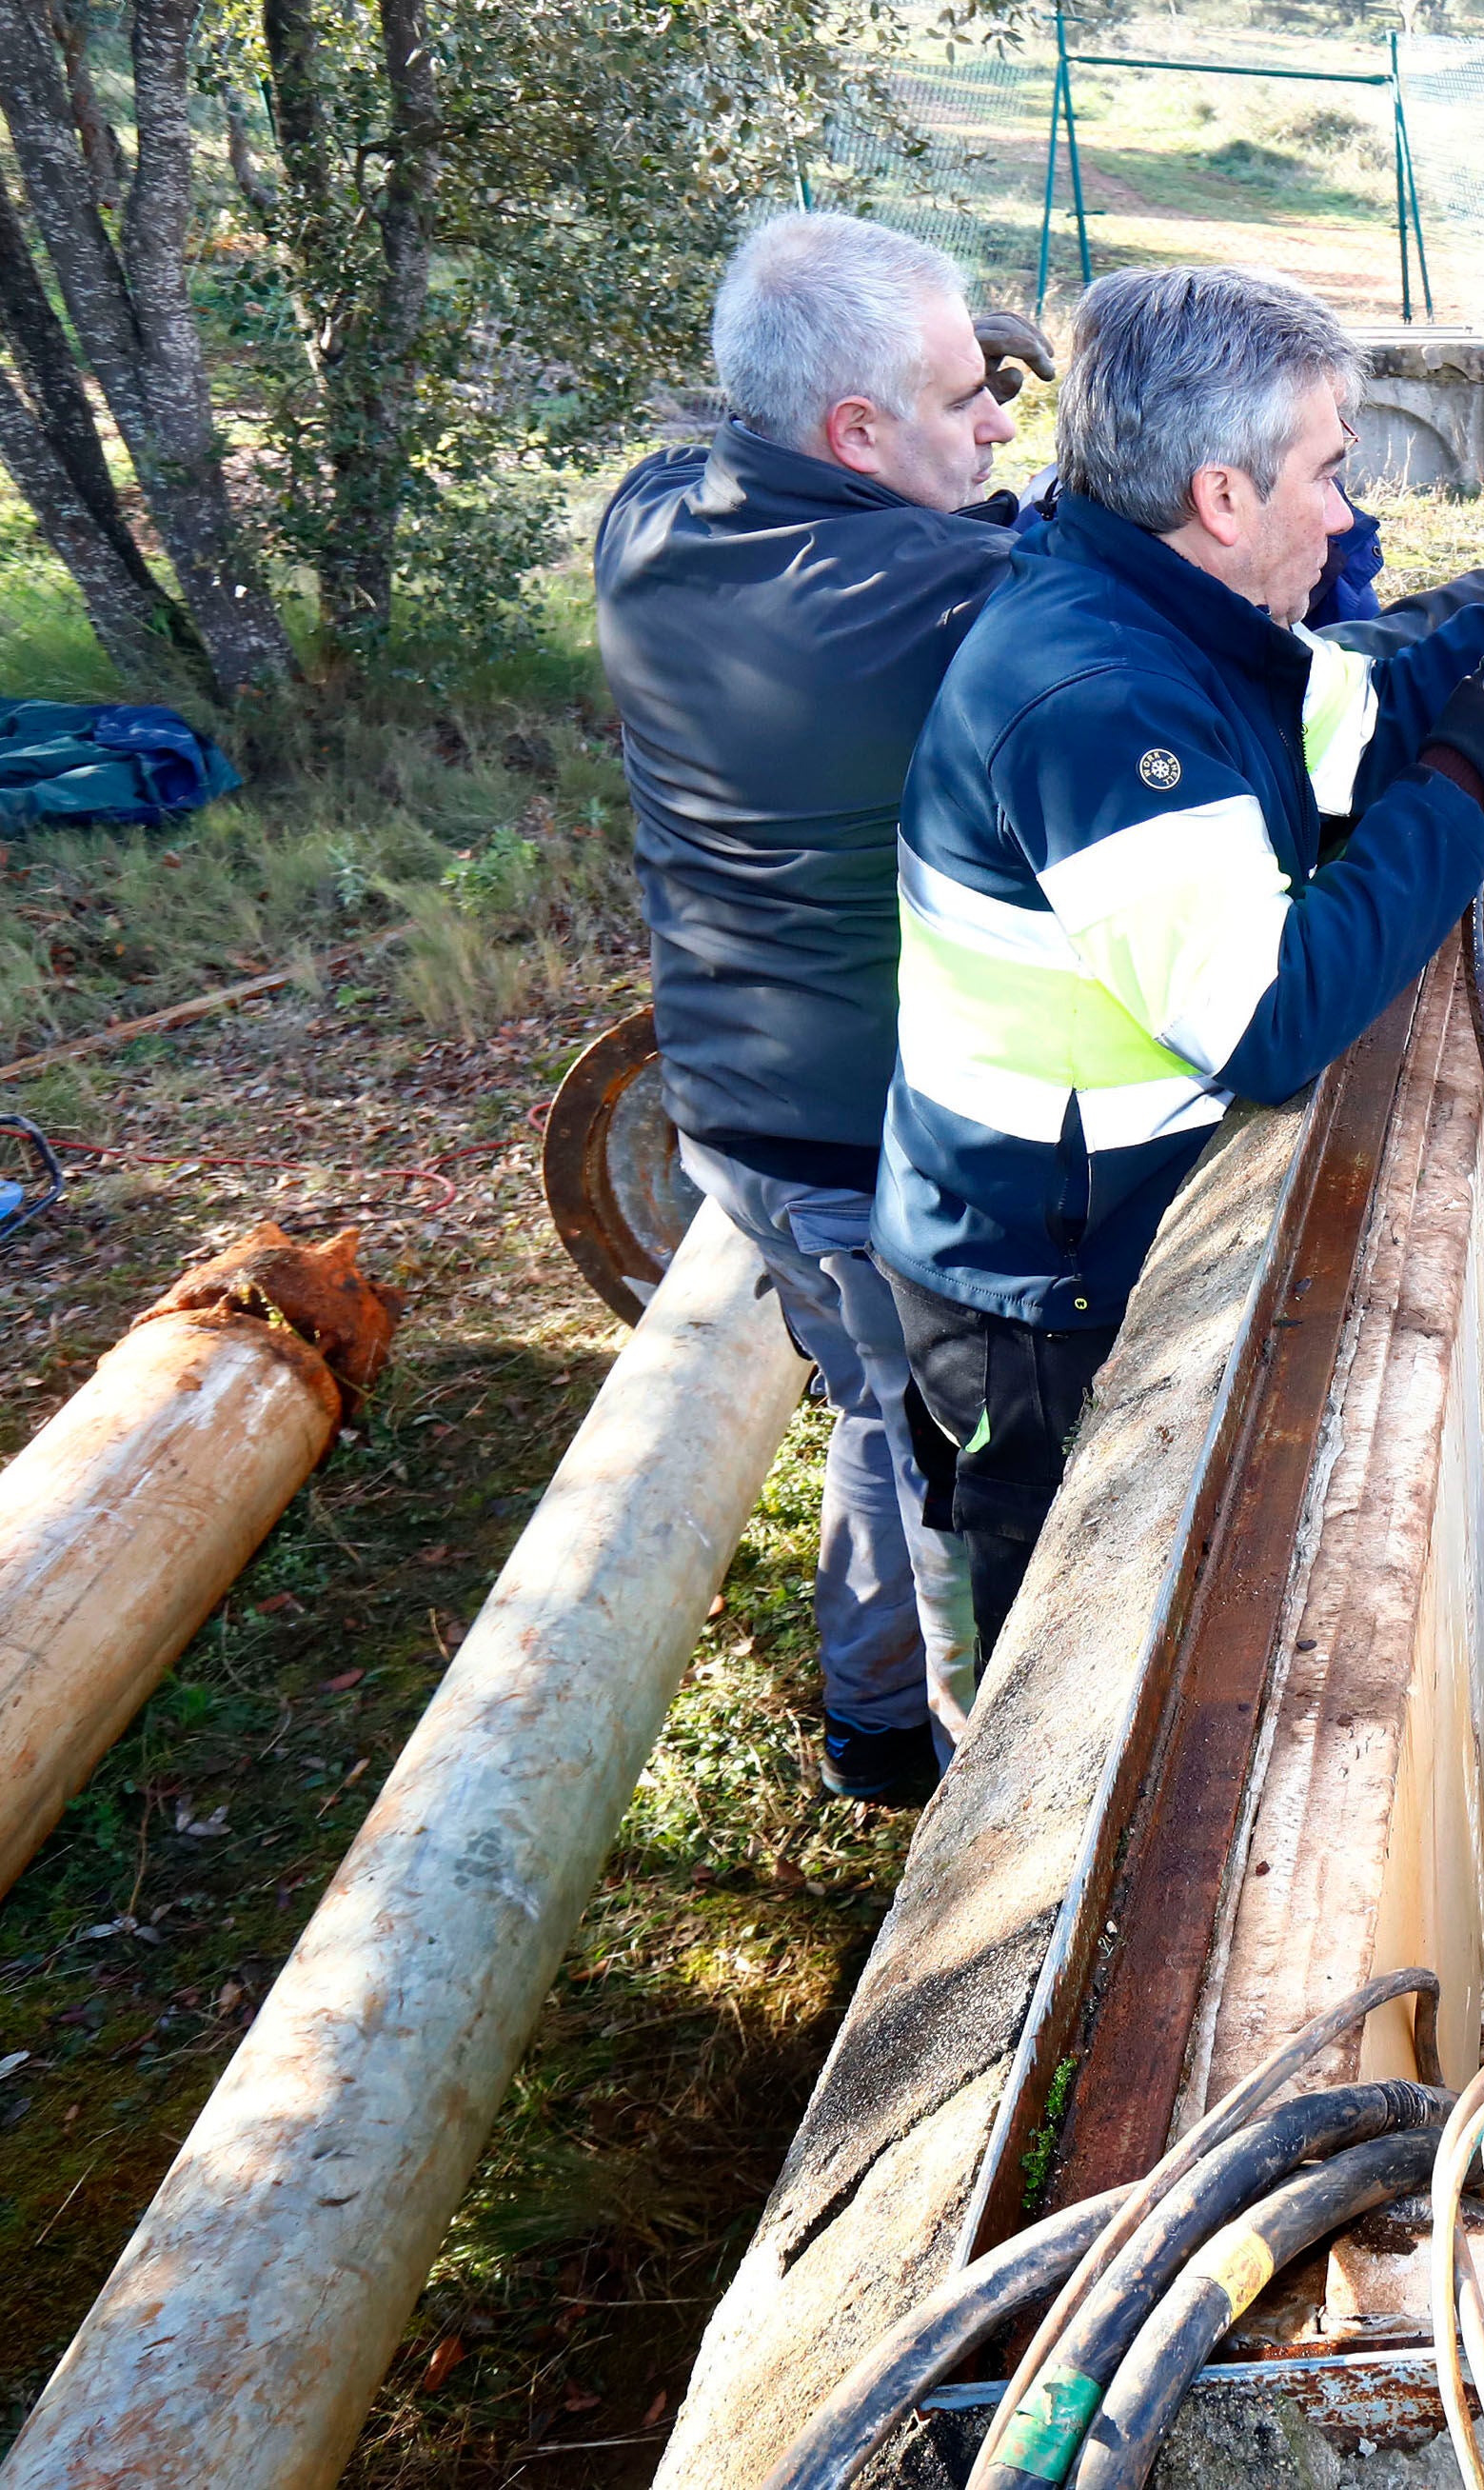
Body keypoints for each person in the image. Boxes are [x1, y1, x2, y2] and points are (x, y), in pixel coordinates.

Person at [874, 263, 1484, 1649]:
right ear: (1222, 495)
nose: (1347, 512)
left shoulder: (1173, 616)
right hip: (1037, 1289)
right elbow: (1271, 1015)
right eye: (1327, 471)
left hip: (1102, 1223)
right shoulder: (1100, 702)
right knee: (1063, 1647)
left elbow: (1366, 716)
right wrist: (1464, 788)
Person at [593, 212, 1051, 1806]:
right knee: (925, 1448)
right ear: (853, 433)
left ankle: (870, 1720)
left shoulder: (648, 529)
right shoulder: (933, 591)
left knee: (865, 1401)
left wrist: (939, 383)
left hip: (732, 1102)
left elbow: (707, 444)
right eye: (968, 397)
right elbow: (1104, 583)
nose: (999, 423)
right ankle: (937, 1763)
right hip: (862, 1139)